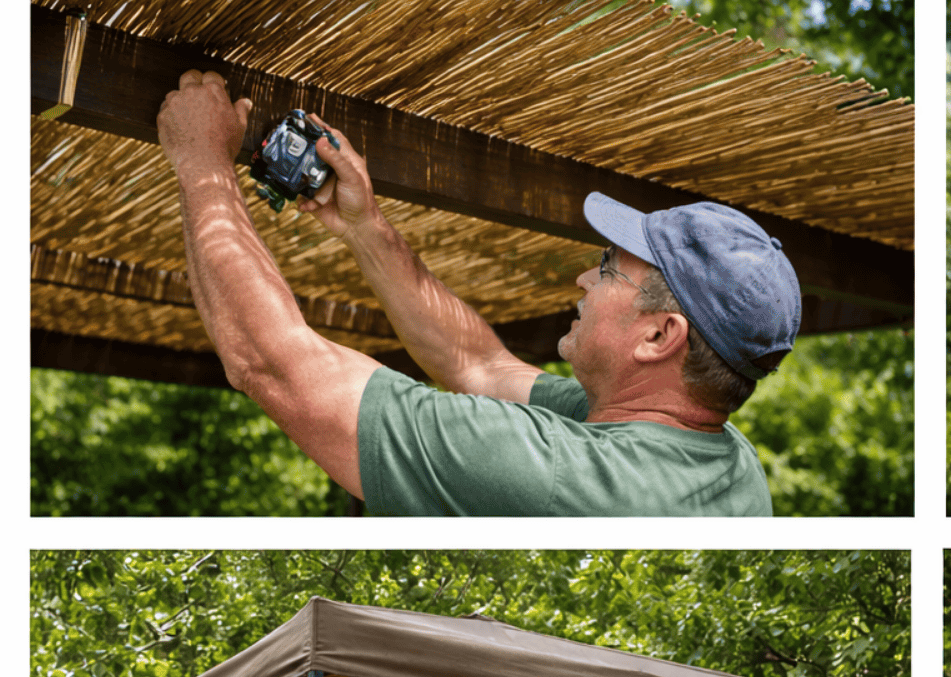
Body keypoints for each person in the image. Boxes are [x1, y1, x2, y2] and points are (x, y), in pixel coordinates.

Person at [154, 70, 801, 516]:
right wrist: (366, 227)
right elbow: (478, 365)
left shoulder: (553, 476)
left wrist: (203, 161)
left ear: (660, 335)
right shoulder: (726, 464)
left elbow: (273, 362)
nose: (584, 278)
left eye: (608, 268)